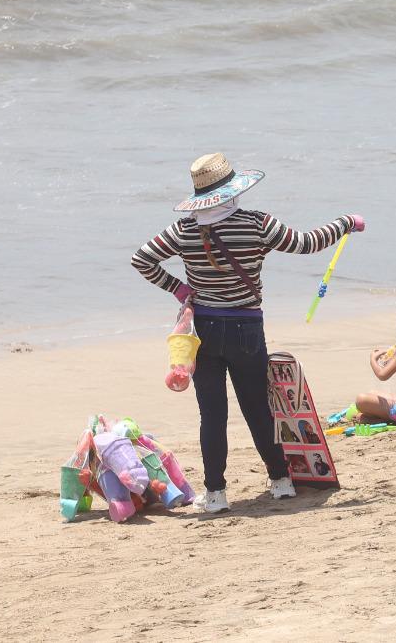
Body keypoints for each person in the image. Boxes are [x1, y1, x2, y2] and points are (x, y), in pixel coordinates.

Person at [131, 152, 365, 510]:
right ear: (233, 190)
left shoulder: (183, 230)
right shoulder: (257, 223)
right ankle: (281, 481)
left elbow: (142, 259)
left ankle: (215, 494)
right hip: (247, 328)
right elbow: (307, 243)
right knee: (257, 408)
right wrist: (345, 223)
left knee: (212, 415)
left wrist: (178, 289)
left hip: (203, 331)